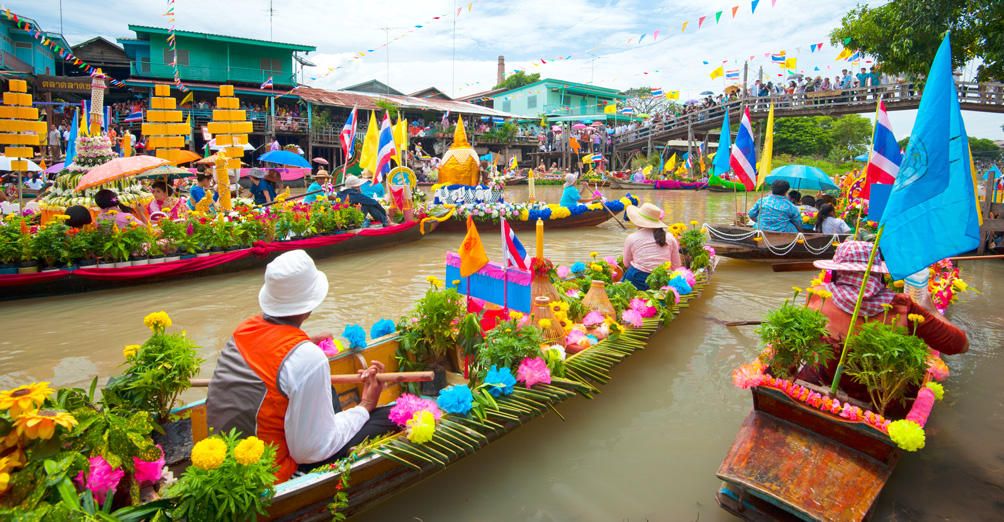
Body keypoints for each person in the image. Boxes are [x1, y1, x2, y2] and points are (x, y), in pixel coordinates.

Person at [206, 250, 397, 482]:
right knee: (392, 415)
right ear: (310, 306)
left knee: (326, 389)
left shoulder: (244, 329)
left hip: (227, 453)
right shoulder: (306, 358)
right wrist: (365, 406)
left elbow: (274, 356)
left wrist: (304, 346)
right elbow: (310, 451)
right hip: (273, 473)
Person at [799, 242, 968, 413]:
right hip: (882, 399)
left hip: (827, 379)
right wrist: (931, 310)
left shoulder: (817, 294)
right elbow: (960, 345)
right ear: (878, 275)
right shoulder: (903, 307)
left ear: (837, 272)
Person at [622, 202, 682, 290]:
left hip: (637, 279)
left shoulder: (632, 237)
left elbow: (626, 263)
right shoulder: (670, 237)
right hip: (661, 280)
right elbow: (676, 266)